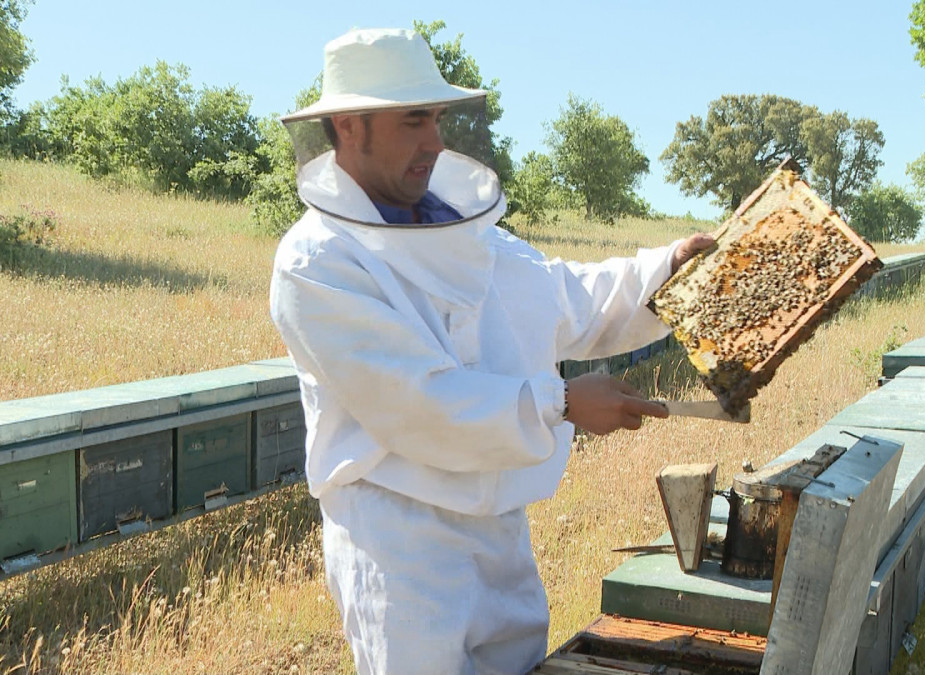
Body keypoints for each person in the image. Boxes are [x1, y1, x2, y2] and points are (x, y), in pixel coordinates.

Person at [269, 27, 713, 675]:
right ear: (347, 127)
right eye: (413, 120)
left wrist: (668, 271)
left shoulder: (465, 232)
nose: (434, 141)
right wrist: (562, 402)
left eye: (437, 118)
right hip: (401, 545)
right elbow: (417, 403)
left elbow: (568, 299)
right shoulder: (318, 262)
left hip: (499, 531)